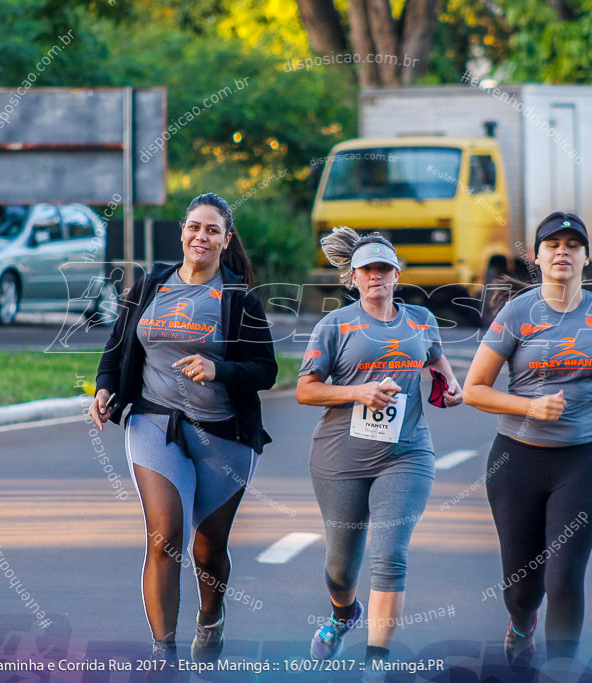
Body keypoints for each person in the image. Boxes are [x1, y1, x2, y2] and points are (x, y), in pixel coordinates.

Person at [89, 193, 277, 669]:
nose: (202, 236)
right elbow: (117, 348)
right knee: (165, 535)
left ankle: (210, 619)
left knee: (209, 550)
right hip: (155, 422)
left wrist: (219, 371)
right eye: (195, 227)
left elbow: (265, 370)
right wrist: (105, 388)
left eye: (212, 230)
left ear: (225, 239)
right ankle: (163, 653)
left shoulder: (239, 299)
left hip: (223, 435)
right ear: (182, 232)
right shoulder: (151, 285)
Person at [463, 212, 592, 666]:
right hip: (516, 462)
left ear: (585, 258)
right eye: (553, 245)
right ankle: (521, 624)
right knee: (522, 588)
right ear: (538, 258)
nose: (563, 251)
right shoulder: (517, 312)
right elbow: (474, 390)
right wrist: (529, 406)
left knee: (564, 578)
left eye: (573, 245)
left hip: (583, 462)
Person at [297, 228, 463, 668]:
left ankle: (377, 665)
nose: (376, 277)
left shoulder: (422, 320)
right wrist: (359, 392)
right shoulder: (335, 324)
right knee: (341, 568)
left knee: (389, 555)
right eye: (368, 270)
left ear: (396, 274)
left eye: (384, 269)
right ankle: (342, 614)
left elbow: (435, 359)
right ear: (353, 276)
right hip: (340, 459)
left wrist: (450, 386)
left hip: (406, 454)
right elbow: (306, 391)